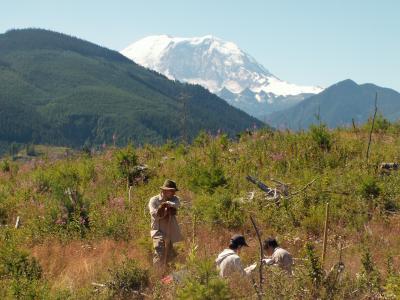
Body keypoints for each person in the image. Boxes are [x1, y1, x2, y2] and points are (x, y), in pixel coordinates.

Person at [148, 179, 183, 265]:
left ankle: (166, 273)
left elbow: (177, 204)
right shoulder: (154, 200)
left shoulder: (175, 199)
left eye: (174, 191)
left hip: (169, 231)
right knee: (160, 250)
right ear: (164, 190)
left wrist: (168, 204)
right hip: (158, 230)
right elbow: (154, 215)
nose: (173, 193)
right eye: (171, 191)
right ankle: (157, 272)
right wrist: (163, 210)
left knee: (170, 255)